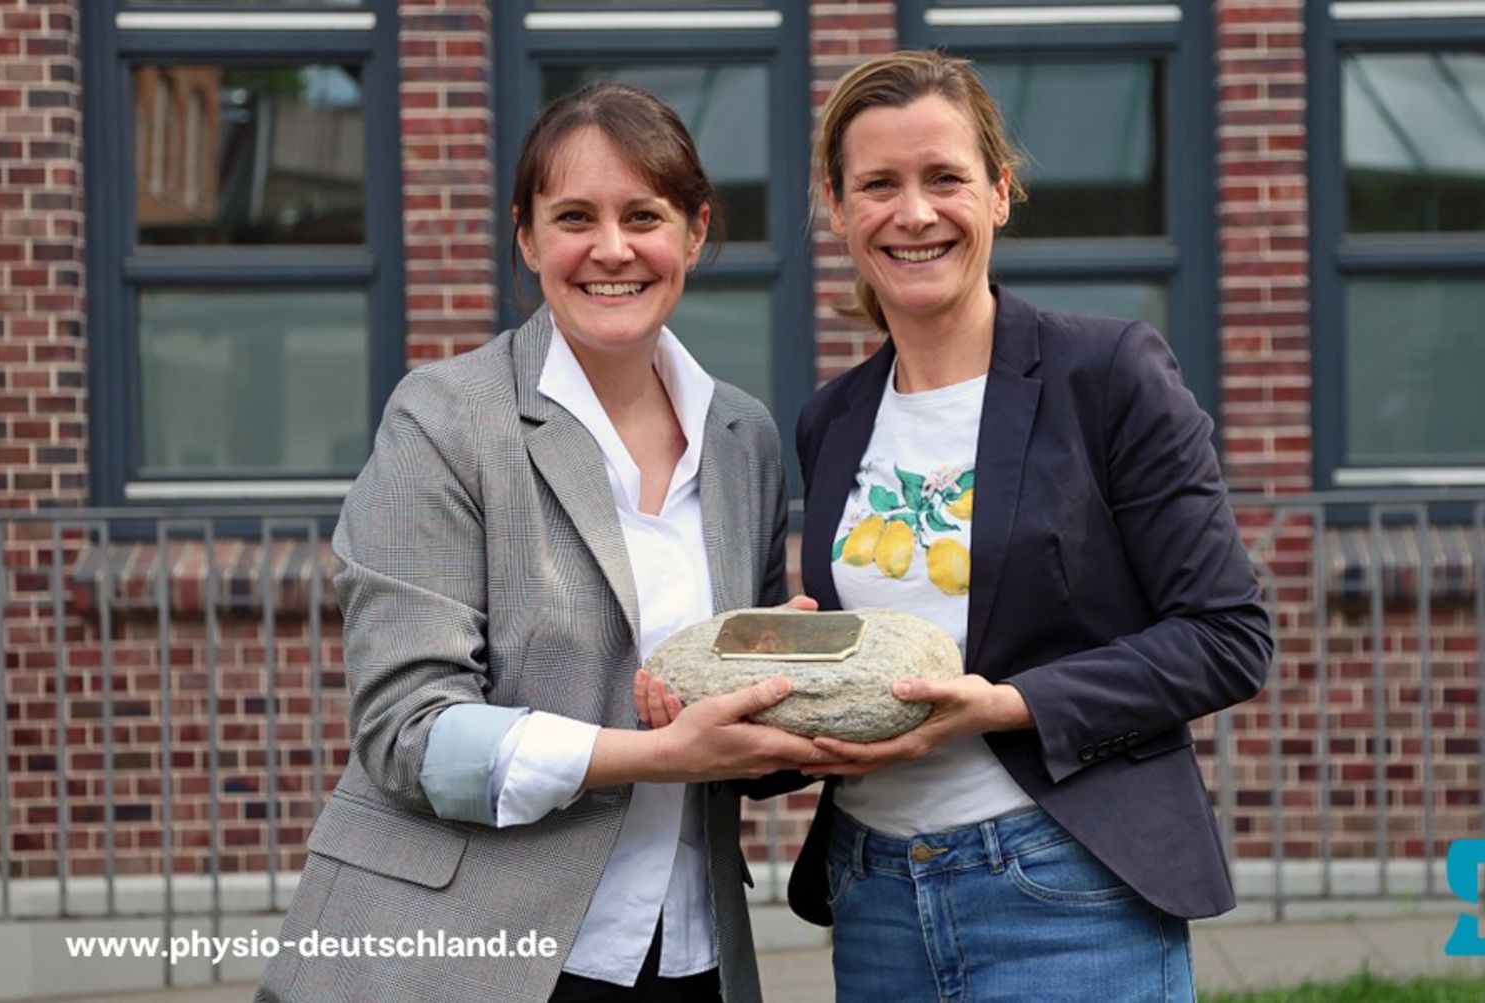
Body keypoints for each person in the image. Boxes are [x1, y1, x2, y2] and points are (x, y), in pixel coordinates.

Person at [648, 50, 1273, 1002]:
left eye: (945, 177)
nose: (915, 213)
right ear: (838, 208)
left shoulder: (1106, 375)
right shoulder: (832, 419)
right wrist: (735, 715)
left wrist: (1005, 704)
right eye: (878, 185)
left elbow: (1227, 636)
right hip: (876, 896)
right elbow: (849, 680)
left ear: (1000, 192)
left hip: (1067, 887)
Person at [255, 82, 836, 1003]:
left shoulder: (743, 438)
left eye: (643, 215)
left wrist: (790, 702)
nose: (612, 248)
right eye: (574, 217)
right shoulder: (445, 418)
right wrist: (658, 755)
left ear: (694, 232)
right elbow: (409, 730)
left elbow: (728, 735)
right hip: (471, 952)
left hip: (687, 950)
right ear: (526, 238)